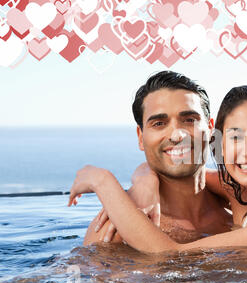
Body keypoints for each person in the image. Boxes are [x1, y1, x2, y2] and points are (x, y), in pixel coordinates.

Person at [71, 85, 247, 252]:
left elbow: (169, 253)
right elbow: (191, 178)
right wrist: (144, 181)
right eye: (236, 136)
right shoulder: (238, 193)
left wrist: (103, 180)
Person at [82, 71, 233, 245]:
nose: (177, 136)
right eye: (159, 124)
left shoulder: (242, 206)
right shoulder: (116, 230)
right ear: (140, 137)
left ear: (210, 129)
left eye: (189, 120)